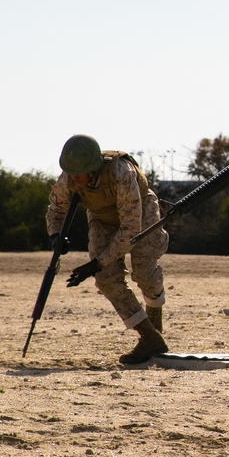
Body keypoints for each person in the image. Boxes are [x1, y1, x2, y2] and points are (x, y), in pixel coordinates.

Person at [46, 135, 170, 364]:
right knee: (106, 279)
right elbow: (56, 209)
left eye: (79, 174)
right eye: (71, 173)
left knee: (144, 273)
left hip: (141, 214)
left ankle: (155, 322)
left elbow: (131, 230)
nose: (75, 179)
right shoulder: (68, 179)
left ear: (93, 168)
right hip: (102, 219)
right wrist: (55, 236)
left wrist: (96, 263)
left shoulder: (121, 173)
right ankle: (150, 337)